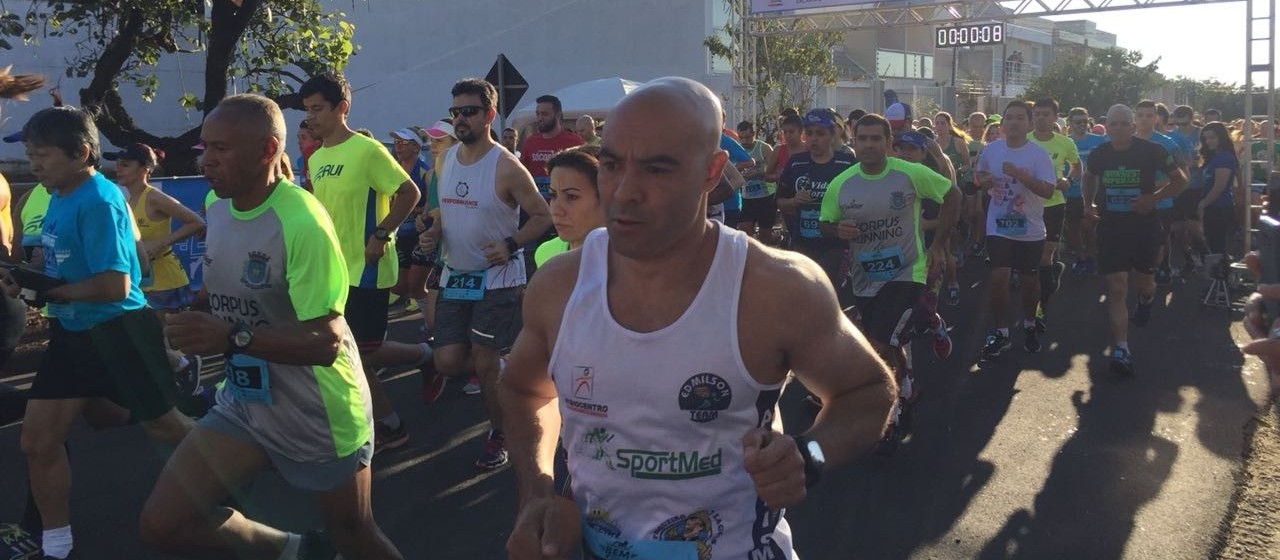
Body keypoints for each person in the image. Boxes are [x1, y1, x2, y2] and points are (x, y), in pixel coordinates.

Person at [501, 76, 894, 560]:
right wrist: (538, 493)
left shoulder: (775, 287)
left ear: (712, 172)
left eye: (657, 170)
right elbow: (525, 389)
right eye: (610, 165)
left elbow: (869, 390)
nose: (624, 192)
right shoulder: (559, 286)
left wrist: (809, 454)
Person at [138, 93, 403, 560]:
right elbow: (217, 293)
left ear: (267, 150)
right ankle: (298, 552)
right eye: (205, 148)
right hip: (244, 403)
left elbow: (326, 343)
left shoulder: (301, 222)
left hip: (318, 411)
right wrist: (177, 320)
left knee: (356, 536)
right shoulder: (218, 210)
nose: (208, 161)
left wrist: (232, 338)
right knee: (162, 524)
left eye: (222, 149)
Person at [9, 106, 194, 560]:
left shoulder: (100, 199)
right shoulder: (57, 193)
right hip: (74, 334)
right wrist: (28, 279)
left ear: (82, 153)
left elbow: (116, 284)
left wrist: (56, 292)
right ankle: (55, 543)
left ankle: (231, 463)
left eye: (43, 155)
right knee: (38, 440)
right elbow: (60, 266)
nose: (34, 164)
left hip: (120, 332)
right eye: (30, 155)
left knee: (169, 428)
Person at [421, 78, 552, 470]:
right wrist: (433, 233)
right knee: (446, 361)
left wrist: (511, 244)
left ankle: (501, 431)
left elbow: (542, 215)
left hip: (498, 279)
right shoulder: (444, 161)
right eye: (456, 111)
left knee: (483, 359)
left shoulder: (506, 166)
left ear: (489, 115)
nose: (461, 118)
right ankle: (506, 369)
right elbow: (447, 211)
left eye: (470, 111)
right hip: (456, 276)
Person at [300, 72, 431, 454]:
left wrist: (382, 233)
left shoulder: (367, 150)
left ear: (342, 108)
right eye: (307, 111)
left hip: (368, 267)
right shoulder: (318, 156)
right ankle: (424, 358)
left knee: (354, 353)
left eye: (318, 109)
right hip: (333, 269)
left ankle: (391, 425)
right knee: (353, 351)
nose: (311, 118)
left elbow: (410, 191)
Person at [821, 116, 960, 452]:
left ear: (888, 143)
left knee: (879, 341)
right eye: (862, 138)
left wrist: (939, 243)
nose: (868, 145)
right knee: (883, 340)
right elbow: (826, 222)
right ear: (853, 141)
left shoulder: (908, 173)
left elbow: (952, 194)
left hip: (907, 272)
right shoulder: (842, 183)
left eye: (875, 139)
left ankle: (892, 412)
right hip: (866, 278)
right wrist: (837, 231)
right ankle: (908, 380)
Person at [1082, 104, 1188, 375]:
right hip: (1111, 227)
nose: (1118, 129)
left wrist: (1153, 198)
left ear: (1133, 127)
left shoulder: (1152, 150)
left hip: (1144, 226)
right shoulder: (1099, 153)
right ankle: (1121, 348)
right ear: (1106, 128)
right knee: (1117, 286)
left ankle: (1146, 300)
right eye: (1113, 124)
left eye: (1123, 124)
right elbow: (1088, 177)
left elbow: (1180, 181)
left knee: (1145, 283)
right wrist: (1088, 204)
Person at [109, 142, 208, 394]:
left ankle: (183, 369)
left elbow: (195, 222)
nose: (118, 169)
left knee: (155, 337)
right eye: (118, 163)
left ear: (145, 169)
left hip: (164, 278)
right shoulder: (122, 198)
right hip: (138, 279)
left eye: (126, 164)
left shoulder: (153, 197)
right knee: (142, 337)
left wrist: (158, 243)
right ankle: (174, 371)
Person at [974, 101, 1058, 360]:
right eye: (1009, 118)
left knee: (1029, 279)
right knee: (999, 276)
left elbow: (1048, 190)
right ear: (1002, 124)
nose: (1013, 122)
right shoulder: (991, 150)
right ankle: (1002, 332)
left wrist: (1021, 175)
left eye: (1020, 118)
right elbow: (978, 178)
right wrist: (984, 181)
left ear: (1029, 123)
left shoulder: (1038, 155)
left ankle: (1030, 324)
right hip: (998, 225)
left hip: (1030, 227)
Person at [777, 109, 858, 286]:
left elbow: (862, 203)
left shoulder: (846, 163)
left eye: (820, 134)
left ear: (833, 134)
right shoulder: (796, 163)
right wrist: (794, 201)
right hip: (802, 243)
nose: (814, 138)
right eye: (810, 133)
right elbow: (780, 202)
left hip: (835, 246)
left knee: (827, 291)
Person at [1028, 97, 1081, 330]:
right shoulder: (1023, 141)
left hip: (1054, 203)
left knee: (1044, 257)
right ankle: (1050, 277)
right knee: (1031, 260)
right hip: (1027, 205)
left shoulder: (1065, 143)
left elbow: (1077, 165)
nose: (1041, 118)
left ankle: (1041, 308)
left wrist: (1067, 180)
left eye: (1045, 114)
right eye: (1037, 114)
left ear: (1054, 117)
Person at [534, 147, 605, 267]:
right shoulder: (545, 253)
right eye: (553, 195)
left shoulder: (630, 261)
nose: (556, 210)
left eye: (571, 196)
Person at [388, 125, 432, 313]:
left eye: (404, 142)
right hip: (399, 234)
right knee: (399, 286)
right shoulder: (392, 169)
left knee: (416, 286)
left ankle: (433, 321)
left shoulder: (425, 171)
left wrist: (411, 209)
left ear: (416, 147)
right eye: (397, 142)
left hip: (419, 233)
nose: (398, 146)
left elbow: (432, 206)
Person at [1064, 107, 1108, 275]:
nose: (1082, 125)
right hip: (1072, 192)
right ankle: (1082, 257)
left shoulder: (1100, 141)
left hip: (1095, 191)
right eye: (1078, 122)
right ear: (1070, 123)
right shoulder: (1065, 142)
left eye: (1085, 121)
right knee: (1073, 228)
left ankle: (1092, 256)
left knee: (1089, 226)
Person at [520, 94, 585, 200]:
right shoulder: (530, 142)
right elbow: (522, 175)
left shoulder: (575, 142)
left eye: (545, 114)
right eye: (538, 114)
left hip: (566, 206)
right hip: (538, 206)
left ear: (558, 115)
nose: (540, 118)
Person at [1192, 121, 1240, 259]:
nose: (1208, 142)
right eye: (1206, 138)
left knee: (1219, 247)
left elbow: (1219, 187)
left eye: (1212, 137)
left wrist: (1202, 204)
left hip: (1220, 207)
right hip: (1213, 207)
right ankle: (1219, 275)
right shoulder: (1214, 157)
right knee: (1213, 245)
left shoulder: (1224, 157)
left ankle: (1222, 277)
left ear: (1221, 137)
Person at [736, 120, 779, 244]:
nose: (744, 141)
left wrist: (760, 174)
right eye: (741, 138)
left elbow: (775, 173)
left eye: (748, 137)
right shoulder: (737, 149)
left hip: (766, 197)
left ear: (754, 134)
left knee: (764, 236)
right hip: (746, 198)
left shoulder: (764, 148)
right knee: (745, 232)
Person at [294, 120, 321, 191]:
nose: (299, 142)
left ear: (317, 141)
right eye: (298, 138)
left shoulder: (324, 160)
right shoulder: (300, 161)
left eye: (304, 138)